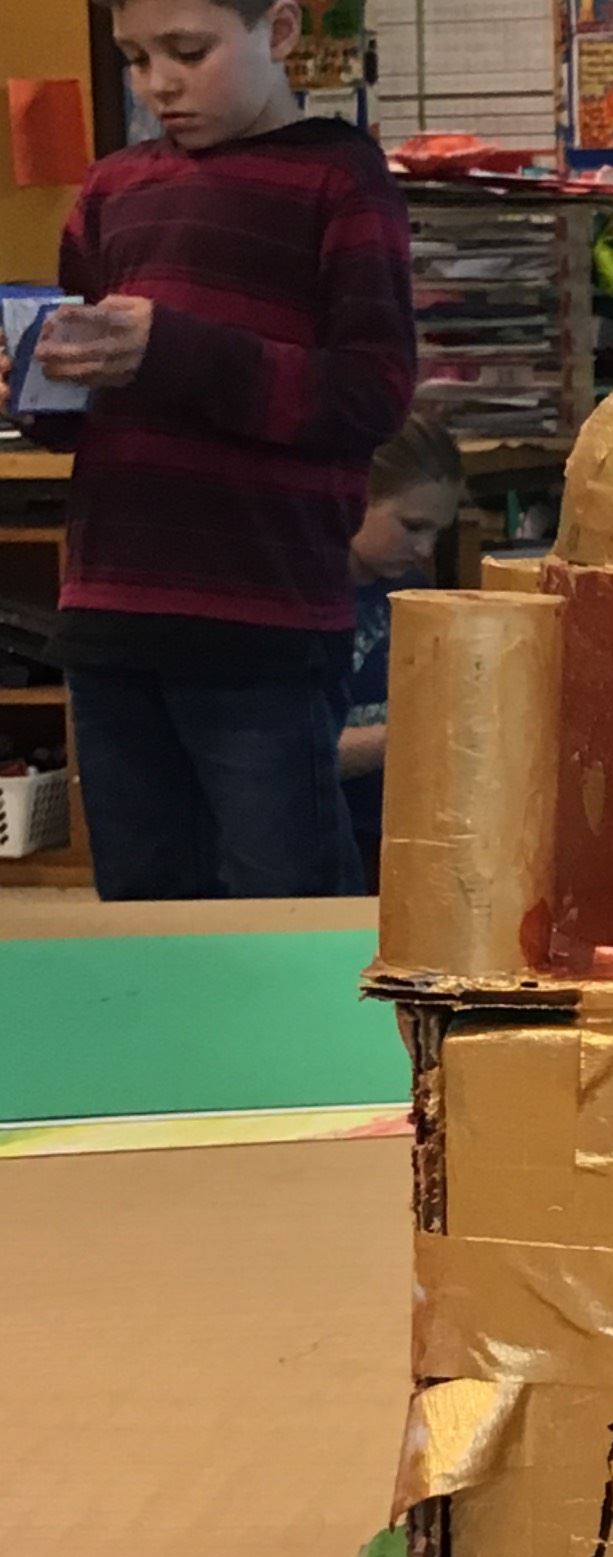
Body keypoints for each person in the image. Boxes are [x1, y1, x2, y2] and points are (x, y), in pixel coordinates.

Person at [0, 0, 415, 899]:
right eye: (135, 57)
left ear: (280, 31)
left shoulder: (340, 177)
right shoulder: (111, 187)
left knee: (285, 903)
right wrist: (39, 383)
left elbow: (371, 393)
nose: (159, 84)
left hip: (262, 621)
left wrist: (172, 349)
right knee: (141, 909)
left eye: (189, 51)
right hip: (112, 614)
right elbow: (85, 408)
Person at [338, 414, 463, 891]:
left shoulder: (413, 592)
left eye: (438, 532)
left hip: (404, 836)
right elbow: (288, 754)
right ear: (353, 496)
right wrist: (411, 735)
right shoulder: (303, 602)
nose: (425, 548)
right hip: (329, 838)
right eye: (412, 526)